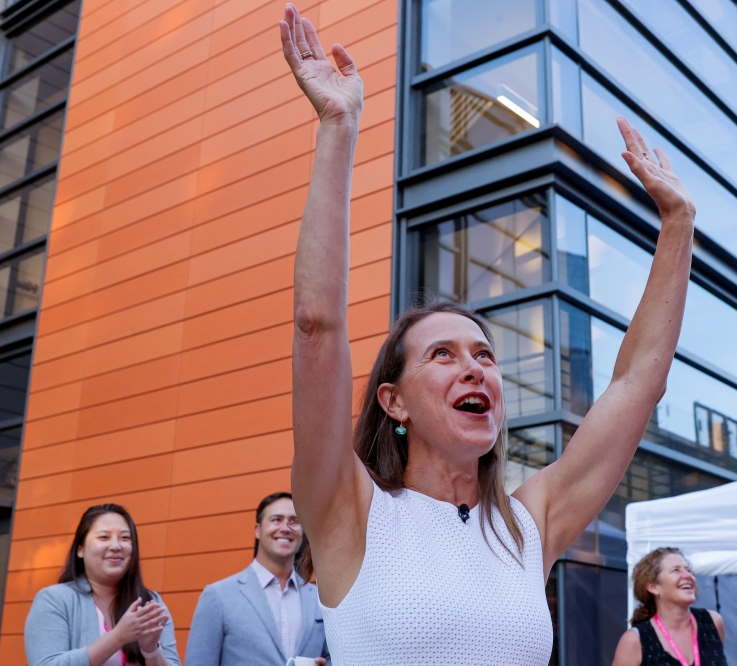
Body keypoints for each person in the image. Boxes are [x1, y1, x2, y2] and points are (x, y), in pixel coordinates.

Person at [279, 1, 696, 662]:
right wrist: (338, 127)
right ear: (395, 402)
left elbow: (637, 382)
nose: (475, 368)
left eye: (484, 355)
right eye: (442, 355)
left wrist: (677, 227)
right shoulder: (349, 511)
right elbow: (317, 327)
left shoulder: (531, 524)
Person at [24, 504, 180, 666]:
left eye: (125, 538)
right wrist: (118, 637)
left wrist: (151, 650)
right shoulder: (54, 599)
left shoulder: (150, 602)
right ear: (80, 549)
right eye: (104, 537)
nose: (116, 546)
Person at [186, 492, 328, 666]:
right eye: (276, 519)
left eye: (294, 520)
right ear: (258, 530)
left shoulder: (320, 599)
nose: (285, 527)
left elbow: (332, 657)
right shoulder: (218, 596)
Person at [613, 548, 726, 666]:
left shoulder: (712, 622)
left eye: (688, 570)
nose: (688, 575)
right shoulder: (634, 641)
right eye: (676, 570)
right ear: (653, 587)